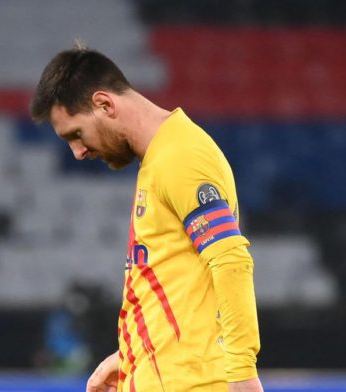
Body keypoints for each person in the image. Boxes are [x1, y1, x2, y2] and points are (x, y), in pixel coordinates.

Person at [31, 42, 263, 392]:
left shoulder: (181, 156)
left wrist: (243, 376)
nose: (77, 152)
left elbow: (230, 259)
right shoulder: (160, 159)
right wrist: (132, 354)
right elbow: (176, 283)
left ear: (104, 104)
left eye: (75, 135)